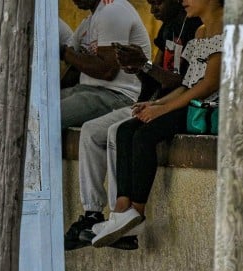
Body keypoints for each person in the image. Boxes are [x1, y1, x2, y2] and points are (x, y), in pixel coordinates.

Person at [65, 0, 200, 251]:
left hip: (178, 105)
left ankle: (124, 216)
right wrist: (137, 69)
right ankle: (94, 213)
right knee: (92, 131)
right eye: (150, 3)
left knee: (121, 131)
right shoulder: (168, 29)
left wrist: (145, 66)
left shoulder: (197, 28)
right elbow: (155, 83)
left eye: (158, 2)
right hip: (155, 100)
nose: (152, 9)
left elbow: (184, 83)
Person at [90, 0, 223, 247]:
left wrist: (164, 110)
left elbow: (209, 85)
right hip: (188, 101)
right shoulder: (200, 32)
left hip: (206, 109)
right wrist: (156, 105)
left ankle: (137, 213)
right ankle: (121, 210)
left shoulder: (227, 28)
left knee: (144, 136)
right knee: (126, 129)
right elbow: (187, 83)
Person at [60, 0, 150, 130]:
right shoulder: (89, 20)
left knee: (48, 116)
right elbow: (71, 58)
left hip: (117, 95)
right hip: (88, 90)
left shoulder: (113, 10)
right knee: (38, 106)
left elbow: (107, 71)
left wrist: (64, 52)